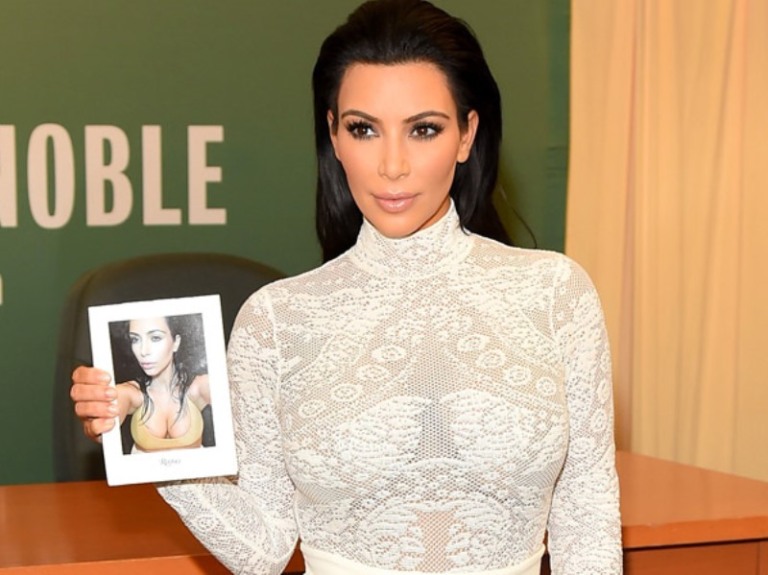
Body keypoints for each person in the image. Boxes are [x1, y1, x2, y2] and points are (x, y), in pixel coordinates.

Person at [71, 0, 622, 573]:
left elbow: (587, 518)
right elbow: (263, 550)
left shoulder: (555, 294)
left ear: (466, 136)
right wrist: (156, 453)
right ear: (333, 136)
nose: (392, 165)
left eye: (424, 130)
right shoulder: (277, 320)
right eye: (364, 129)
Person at [91, 314, 213, 453]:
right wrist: (99, 422)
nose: (143, 351)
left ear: (176, 342)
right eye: (135, 339)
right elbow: (117, 400)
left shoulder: (199, 387)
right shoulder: (131, 393)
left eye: (155, 338)